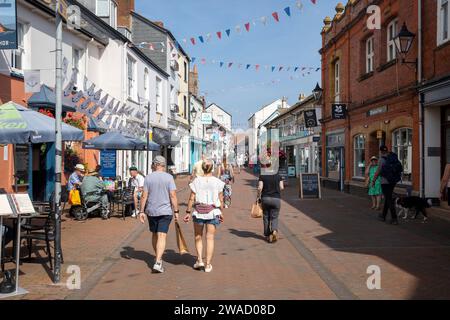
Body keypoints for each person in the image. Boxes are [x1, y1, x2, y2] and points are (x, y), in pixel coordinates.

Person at [139, 156, 179, 273]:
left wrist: (141, 211)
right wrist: (176, 211)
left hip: (151, 211)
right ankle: (158, 261)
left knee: (155, 234)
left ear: (155, 164)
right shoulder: (169, 178)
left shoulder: (148, 178)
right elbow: (173, 195)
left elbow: (144, 196)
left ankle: (158, 259)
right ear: (163, 165)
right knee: (162, 235)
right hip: (165, 211)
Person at [184, 159, 224, 273]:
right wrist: (221, 212)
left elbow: (192, 197)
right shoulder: (217, 182)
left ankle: (200, 260)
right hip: (213, 212)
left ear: (202, 168)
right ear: (212, 168)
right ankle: (208, 265)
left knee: (198, 236)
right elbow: (221, 199)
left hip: (198, 211)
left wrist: (187, 212)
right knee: (210, 238)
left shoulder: (196, 181)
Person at [373, 145, 403, 225]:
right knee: (388, 197)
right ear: (387, 150)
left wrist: (373, 180)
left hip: (385, 182)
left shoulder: (381, 159)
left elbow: (378, 171)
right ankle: (383, 215)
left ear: (381, 151)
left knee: (389, 199)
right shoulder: (392, 157)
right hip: (393, 181)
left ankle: (394, 218)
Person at [258, 162, 284, 243]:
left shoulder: (262, 176)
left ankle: (267, 234)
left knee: (266, 216)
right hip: (276, 199)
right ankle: (274, 231)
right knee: (274, 217)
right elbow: (282, 187)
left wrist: (258, 196)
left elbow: (260, 188)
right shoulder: (278, 176)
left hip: (265, 198)